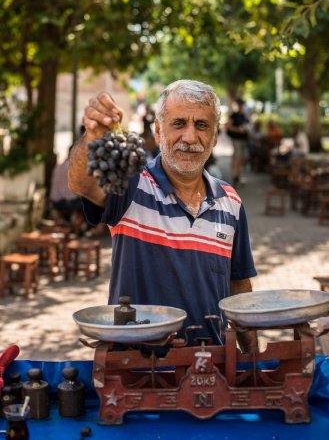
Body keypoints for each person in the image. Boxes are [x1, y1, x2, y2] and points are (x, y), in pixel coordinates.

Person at [68, 80, 257, 349]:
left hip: (211, 368)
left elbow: (239, 288)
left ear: (215, 137)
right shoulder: (132, 186)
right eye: (178, 123)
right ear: (158, 131)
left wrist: (252, 361)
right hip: (136, 369)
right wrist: (92, 137)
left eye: (202, 125)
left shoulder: (231, 202)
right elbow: (81, 184)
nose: (190, 137)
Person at [49, 146, 85, 235]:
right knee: (89, 203)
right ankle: (77, 228)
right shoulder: (75, 167)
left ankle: (69, 224)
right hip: (69, 202)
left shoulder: (58, 166)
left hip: (55, 201)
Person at [226, 99, 250, 186]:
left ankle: (237, 177)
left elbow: (247, 126)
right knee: (237, 159)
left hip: (243, 140)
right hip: (237, 140)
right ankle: (235, 178)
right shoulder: (234, 116)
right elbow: (228, 127)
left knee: (239, 159)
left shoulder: (244, 115)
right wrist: (238, 130)